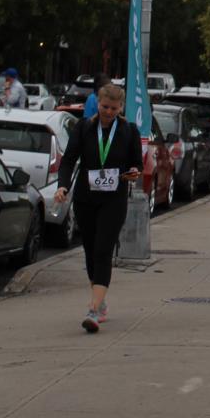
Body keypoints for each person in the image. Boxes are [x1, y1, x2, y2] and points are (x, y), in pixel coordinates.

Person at [54, 81, 142, 332]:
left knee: (103, 250)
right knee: (91, 250)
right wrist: (62, 186)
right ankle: (100, 299)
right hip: (86, 198)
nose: (109, 112)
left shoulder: (128, 131)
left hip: (113, 200)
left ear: (121, 107)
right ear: (98, 104)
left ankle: (93, 310)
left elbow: (136, 163)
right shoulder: (84, 128)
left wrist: (133, 172)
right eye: (105, 107)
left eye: (114, 108)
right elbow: (69, 161)